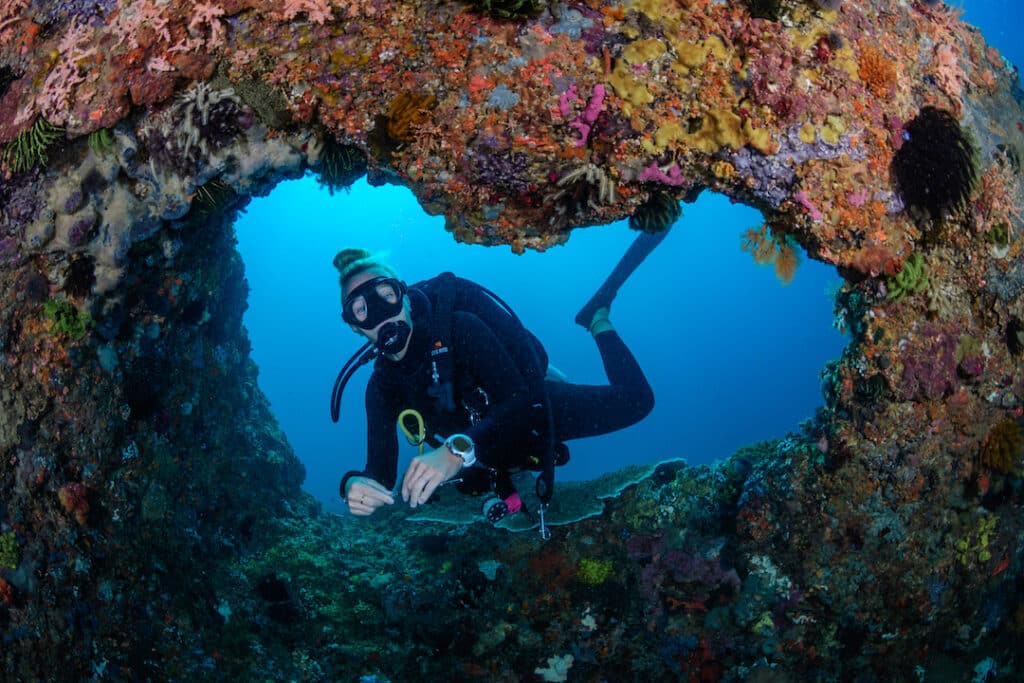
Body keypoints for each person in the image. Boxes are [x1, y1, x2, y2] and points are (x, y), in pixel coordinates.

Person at [336, 246, 656, 520]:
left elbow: (521, 398)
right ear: (355, 328)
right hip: (487, 454)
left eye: (385, 297)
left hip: (528, 416)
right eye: (362, 310)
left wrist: (455, 451)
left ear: (404, 298)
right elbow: (380, 476)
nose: (379, 316)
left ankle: (597, 319)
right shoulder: (381, 388)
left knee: (638, 400)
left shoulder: (460, 328)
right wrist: (352, 485)